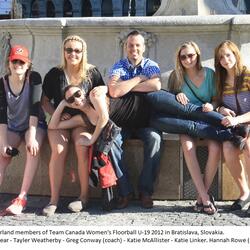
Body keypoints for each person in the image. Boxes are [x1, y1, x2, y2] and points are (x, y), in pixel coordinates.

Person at [41, 35, 105, 216]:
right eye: (69, 50)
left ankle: (83, 197)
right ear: (64, 52)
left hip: (82, 122)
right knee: (59, 149)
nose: (73, 54)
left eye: (77, 50)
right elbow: (44, 101)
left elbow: (103, 95)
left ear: (83, 52)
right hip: (60, 121)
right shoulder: (55, 73)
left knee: (82, 147)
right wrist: (56, 114)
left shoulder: (92, 73)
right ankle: (53, 200)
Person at [108, 30, 162, 209]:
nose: (134, 48)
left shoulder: (151, 64)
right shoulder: (119, 65)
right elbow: (114, 91)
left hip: (146, 122)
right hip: (122, 121)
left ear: (144, 47)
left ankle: (145, 191)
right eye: (131, 45)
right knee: (111, 140)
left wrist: (126, 86)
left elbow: (156, 85)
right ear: (126, 47)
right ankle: (125, 191)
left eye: (138, 45)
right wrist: (139, 78)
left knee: (155, 139)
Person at [168, 41, 219, 215]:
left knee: (215, 147)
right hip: (186, 121)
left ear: (197, 55)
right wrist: (177, 94)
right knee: (188, 148)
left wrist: (211, 106)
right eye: (183, 57)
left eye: (191, 55)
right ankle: (205, 198)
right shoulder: (176, 76)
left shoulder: (210, 74)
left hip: (206, 119)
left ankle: (200, 197)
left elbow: (216, 99)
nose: (187, 59)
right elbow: (169, 102)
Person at [0, 45, 46, 215]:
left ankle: (22, 198)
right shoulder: (2, 82)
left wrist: (32, 137)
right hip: (13, 126)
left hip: (34, 125)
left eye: (22, 62)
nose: (18, 64)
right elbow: (2, 115)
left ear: (28, 65)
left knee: (32, 148)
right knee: (2, 156)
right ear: (9, 64)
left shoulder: (33, 78)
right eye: (15, 61)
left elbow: (35, 108)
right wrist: (4, 144)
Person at [214, 40, 250, 214]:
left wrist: (237, 120)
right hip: (236, 129)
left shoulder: (247, 74)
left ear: (235, 54)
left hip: (246, 123)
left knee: (249, 147)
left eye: (228, 54)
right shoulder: (220, 79)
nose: (225, 59)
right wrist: (222, 109)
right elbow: (217, 103)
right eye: (221, 57)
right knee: (228, 149)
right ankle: (244, 193)